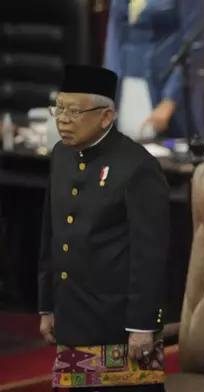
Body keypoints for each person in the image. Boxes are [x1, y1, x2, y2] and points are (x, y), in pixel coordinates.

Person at [38, 65, 170, 391]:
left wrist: (142, 324)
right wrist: (46, 305)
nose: (63, 119)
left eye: (74, 111)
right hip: (71, 314)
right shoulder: (61, 155)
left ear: (106, 116)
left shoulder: (137, 167)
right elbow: (50, 234)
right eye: (59, 108)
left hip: (117, 323)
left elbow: (149, 254)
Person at [104, 0, 204, 139]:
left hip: (169, 88)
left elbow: (197, 46)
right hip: (128, 86)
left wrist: (171, 100)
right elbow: (114, 39)